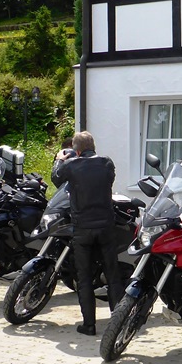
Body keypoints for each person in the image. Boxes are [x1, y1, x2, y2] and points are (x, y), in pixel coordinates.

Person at [51, 131, 123, 336]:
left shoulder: (71, 166)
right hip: (106, 226)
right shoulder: (106, 163)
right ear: (93, 146)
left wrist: (60, 160)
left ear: (76, 150)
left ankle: (89, 325)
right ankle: (118, 322)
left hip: (82, 228)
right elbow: (109, 180)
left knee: (84, 278)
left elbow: (56, 179)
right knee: (113, 275)